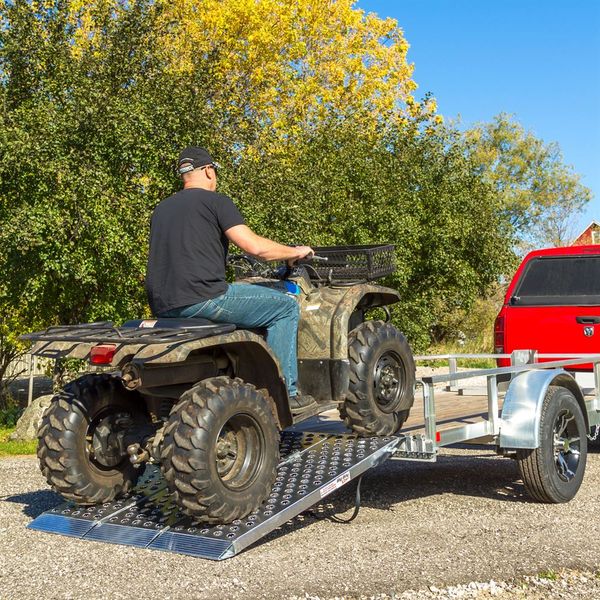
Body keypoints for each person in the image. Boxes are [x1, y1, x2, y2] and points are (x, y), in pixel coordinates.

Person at [145, 146, 315, 409]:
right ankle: (286, 394)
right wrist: (294, 252)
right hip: (204, 298)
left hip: (164, 305)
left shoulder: (162, 209)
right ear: (209, 171)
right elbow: (255, 248)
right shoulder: (216, 202)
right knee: (285, 306)